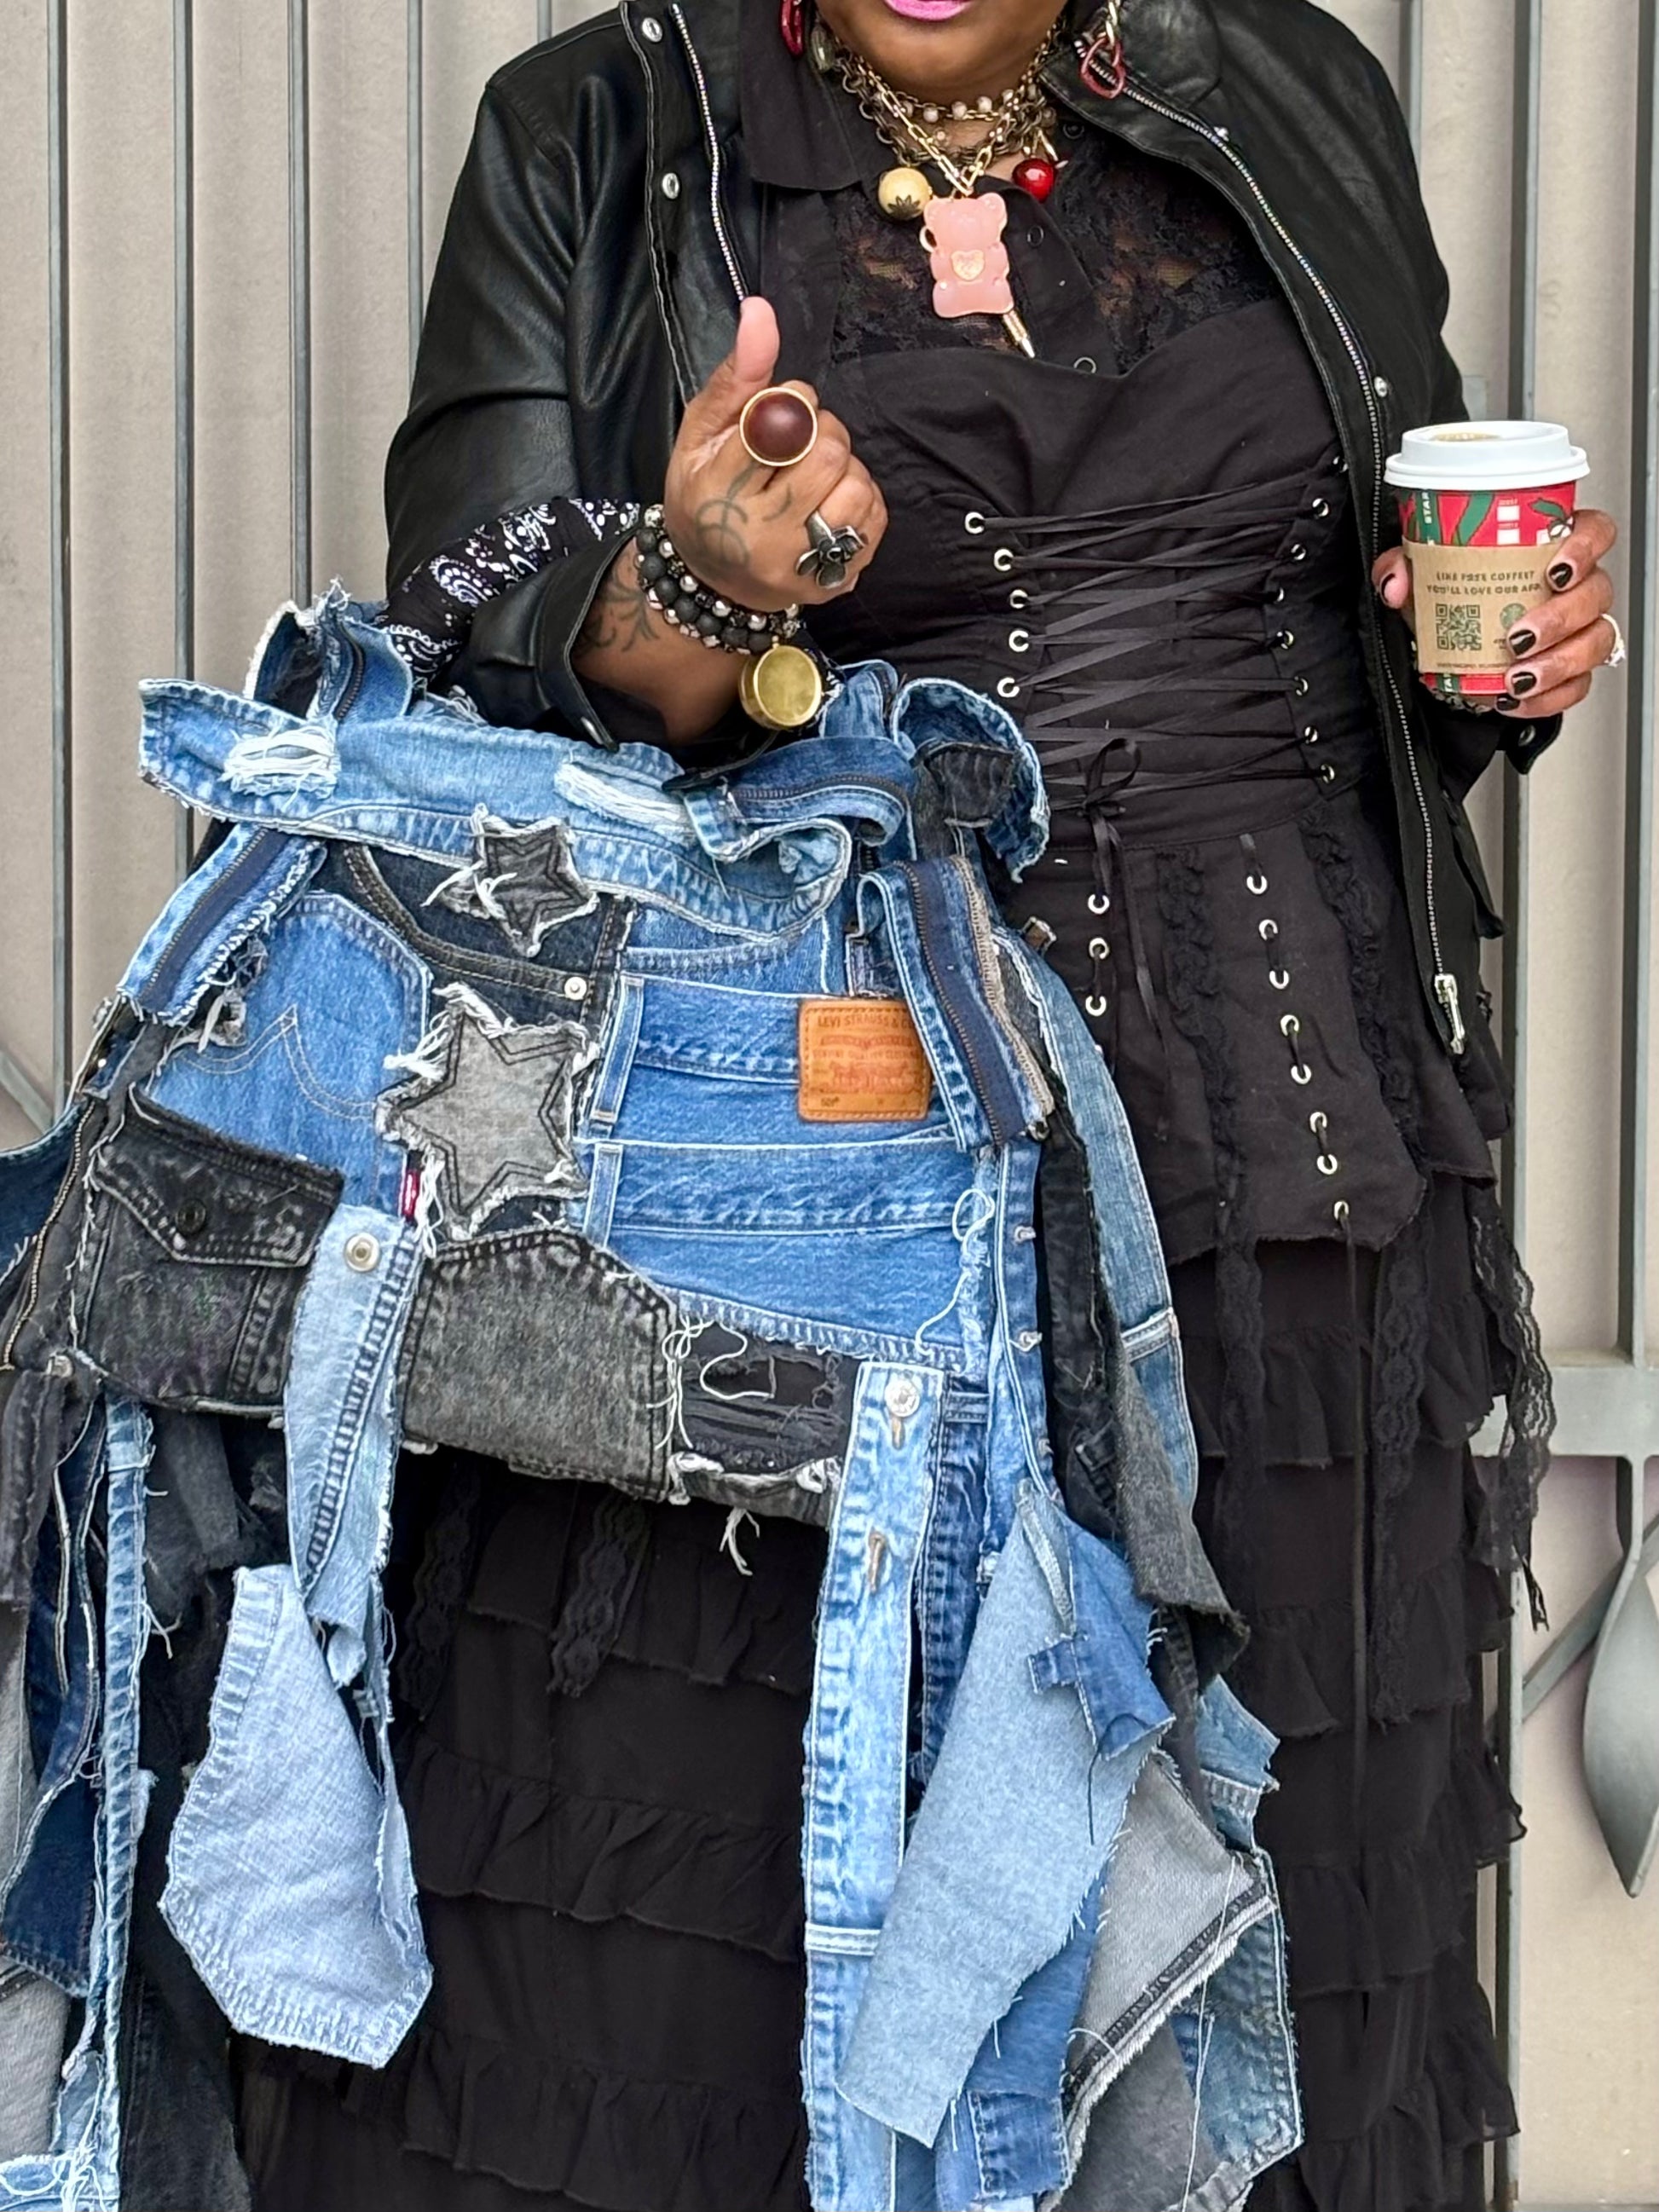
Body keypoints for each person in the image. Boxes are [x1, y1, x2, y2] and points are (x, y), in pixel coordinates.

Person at [237, 0, 1623, 2206]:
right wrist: (689, 585)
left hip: (1279, 1194)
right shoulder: (598, 127)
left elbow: (1367, 629)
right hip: (811, 1220)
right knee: (760, 1977)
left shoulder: (1285, 89)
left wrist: (1491, 654)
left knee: (1253, 1967)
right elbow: (471, 633)